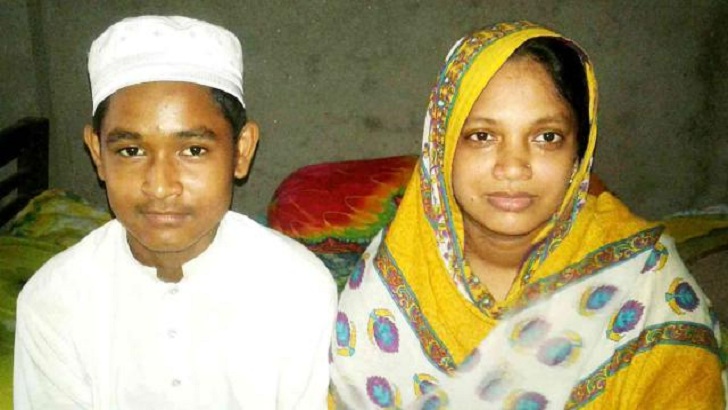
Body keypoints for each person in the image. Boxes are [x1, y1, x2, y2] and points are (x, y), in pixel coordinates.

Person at [329, 21, 727, 409]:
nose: (513, 166)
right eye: (483, 136)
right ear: (441, 149)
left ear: (578, 156)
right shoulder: (390, 287)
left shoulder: (641, 276)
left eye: (546, 137)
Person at [14, 15, 337, 409]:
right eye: (131, 151)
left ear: (241, 151)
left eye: (193, 150)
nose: (161, 186)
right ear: (98, 154)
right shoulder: (53, 302)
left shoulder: (298, 289)